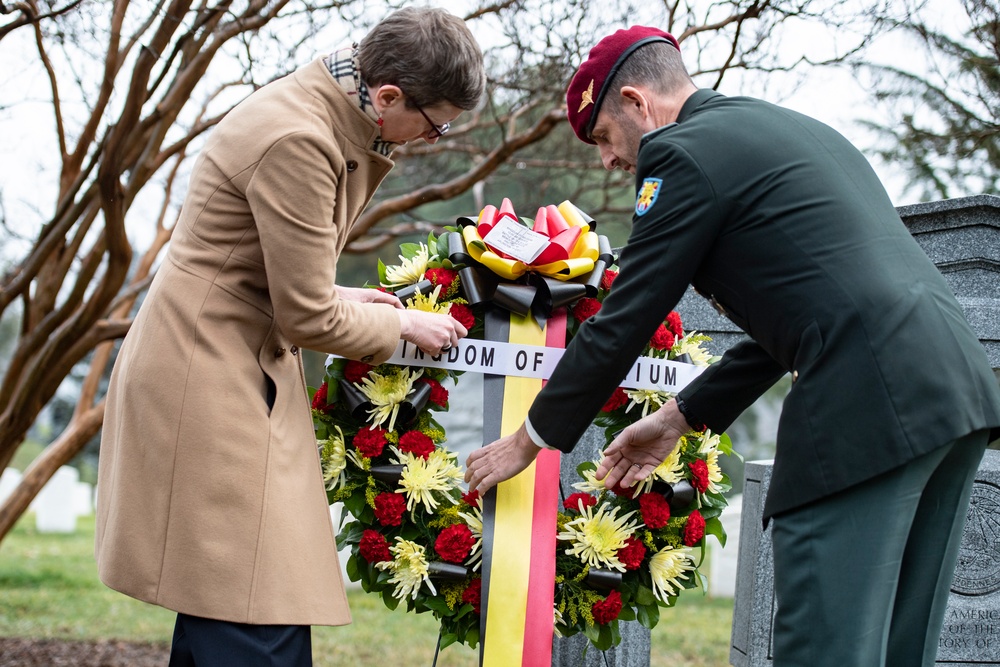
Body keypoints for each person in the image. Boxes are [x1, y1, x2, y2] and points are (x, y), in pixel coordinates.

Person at [464, 25, 1000, 666]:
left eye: (604, 137)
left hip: (865, 404)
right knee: (897, 649)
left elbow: (625, 318)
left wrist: (531, 439)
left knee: (827, 649)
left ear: (637, 104)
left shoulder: (682, 154)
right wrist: (677, 417)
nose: (608, 160)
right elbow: (812, 316)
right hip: (953, 392)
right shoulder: (792, 129)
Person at [95, 8, 484, 666]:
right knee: (252, 600)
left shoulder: (322, 111)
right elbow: (305, 317)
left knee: (231, 597)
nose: (430, 137)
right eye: (433, 122)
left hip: (224, 352)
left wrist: (346, 295)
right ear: (388, 96)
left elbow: (269, 274)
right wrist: (401, 326)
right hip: (207, 371)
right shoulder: (301, 138)